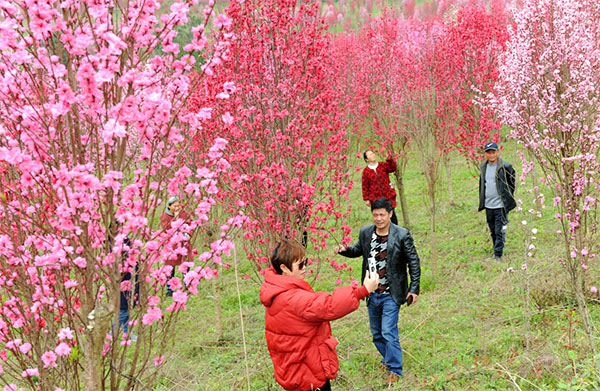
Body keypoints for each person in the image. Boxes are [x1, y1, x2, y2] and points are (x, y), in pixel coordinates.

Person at [260, 239, 379, 391]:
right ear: (284, 268)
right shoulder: (292, 298)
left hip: (293, 367)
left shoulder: (274, 288)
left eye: (306, 261)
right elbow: (328, 306)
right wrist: (363, 290)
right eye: (300, 265)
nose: (305, 268)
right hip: (307, 373)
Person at [334, 197, 421, 385]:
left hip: (392, 293)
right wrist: (344, 250)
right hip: (371, 292)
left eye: (382, 214)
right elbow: (359, 250)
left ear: (390, 214)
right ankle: (387, 359)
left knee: (388, 331)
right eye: (375, 215)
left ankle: (395, 369)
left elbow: (413, 261)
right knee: (377, 333)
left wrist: (414, 288)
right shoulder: (366, 232)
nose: (379, 218)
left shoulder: (401, 234)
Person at [478, 142, 516, 261]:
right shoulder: (483, 166)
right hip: (489, 204)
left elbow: (512, 181)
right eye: (489, 153)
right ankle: (496, 250)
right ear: (485, 154)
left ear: (497, 153)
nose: (491, 155)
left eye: (493, 152)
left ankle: (498, 254)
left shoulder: (505, 166)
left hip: (500, 204)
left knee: (499, 230)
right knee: (493, 229)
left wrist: (507, 195)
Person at [160, 196, 192, 296]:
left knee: (185, 264)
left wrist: (189, 235)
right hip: (171, 244)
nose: (178, 208)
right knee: (170, 266)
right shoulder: (164, 216)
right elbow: (167, 229)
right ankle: (170, 289)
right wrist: (177, 218)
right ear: (169, 206)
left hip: (184, 242)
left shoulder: (185, 213)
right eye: (175, 206)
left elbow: (190, 224)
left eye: (179, 205)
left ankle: (187, 285)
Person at [361, 150, 398, 225]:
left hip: (388, 194)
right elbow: (365, 185)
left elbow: (393, 168)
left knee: (392, 214)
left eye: (373, 153)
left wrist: (389, 159)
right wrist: (366, 199)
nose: (373, 155)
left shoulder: (382, 165)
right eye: (370, 155)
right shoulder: (366, 171)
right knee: (380, 217)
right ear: (366, 159)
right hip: (376, 197)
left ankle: (396, 232)